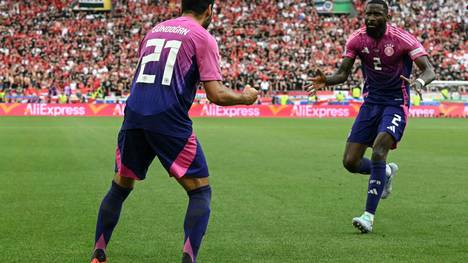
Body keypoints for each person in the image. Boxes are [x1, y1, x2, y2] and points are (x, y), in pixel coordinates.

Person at [90, 1, 259, 262]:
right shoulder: (202, 37)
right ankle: (188, 257)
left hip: (134, 116)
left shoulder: (154, 30)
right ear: (210, 11)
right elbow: (215, 94)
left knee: (120, 187)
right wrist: (245, 97)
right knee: (200, 191)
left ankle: (98, 254)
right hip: (169, 119)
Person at [307, 0, 435, 233]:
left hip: (396, 103)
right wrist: (326, 80)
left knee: (379, 150)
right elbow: (343, 74)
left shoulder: (403, 39)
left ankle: (368, 216)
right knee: (350, 162)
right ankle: (385, 172)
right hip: (371, 104)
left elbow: (429, 70)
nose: (371, 18)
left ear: (387, 16)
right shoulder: (356, 39)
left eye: (376, 14)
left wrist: (418, 82)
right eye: (368, 14)